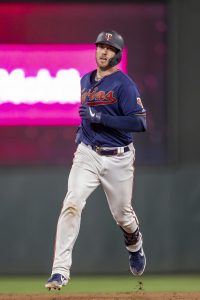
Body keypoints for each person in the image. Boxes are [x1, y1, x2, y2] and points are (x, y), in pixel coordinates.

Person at [45, 30, 147, 290]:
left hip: (118, 158)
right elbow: (87, 117)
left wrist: (101, 119)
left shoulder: (124, 85)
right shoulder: (85, 80)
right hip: (88, 154)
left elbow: (139, 122)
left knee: (123, 215)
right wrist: (85, 128)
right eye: (100, 46)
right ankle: (59, 271)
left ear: (117, 54)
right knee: (72, 204)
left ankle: (134, 245)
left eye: (109, 48)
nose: (103, 51)